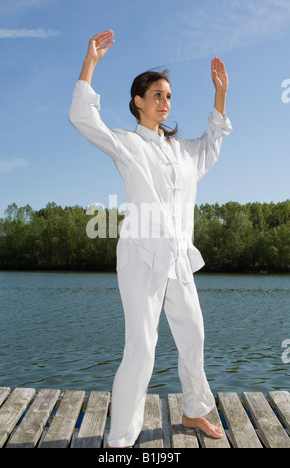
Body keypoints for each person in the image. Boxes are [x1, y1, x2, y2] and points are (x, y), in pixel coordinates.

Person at [69, 30, 232, 448]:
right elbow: (83, 119)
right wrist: (90, 63)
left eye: (169, 96)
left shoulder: (181, 152)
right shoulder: (127, 144)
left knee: (193, 334)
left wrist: (220, 94)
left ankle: (194, 411)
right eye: (157, 94)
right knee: (141, 349)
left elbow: (212, 145)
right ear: (138, 101)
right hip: (142, 256)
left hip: (178, 257)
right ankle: (121, 441)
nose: (165, 102)